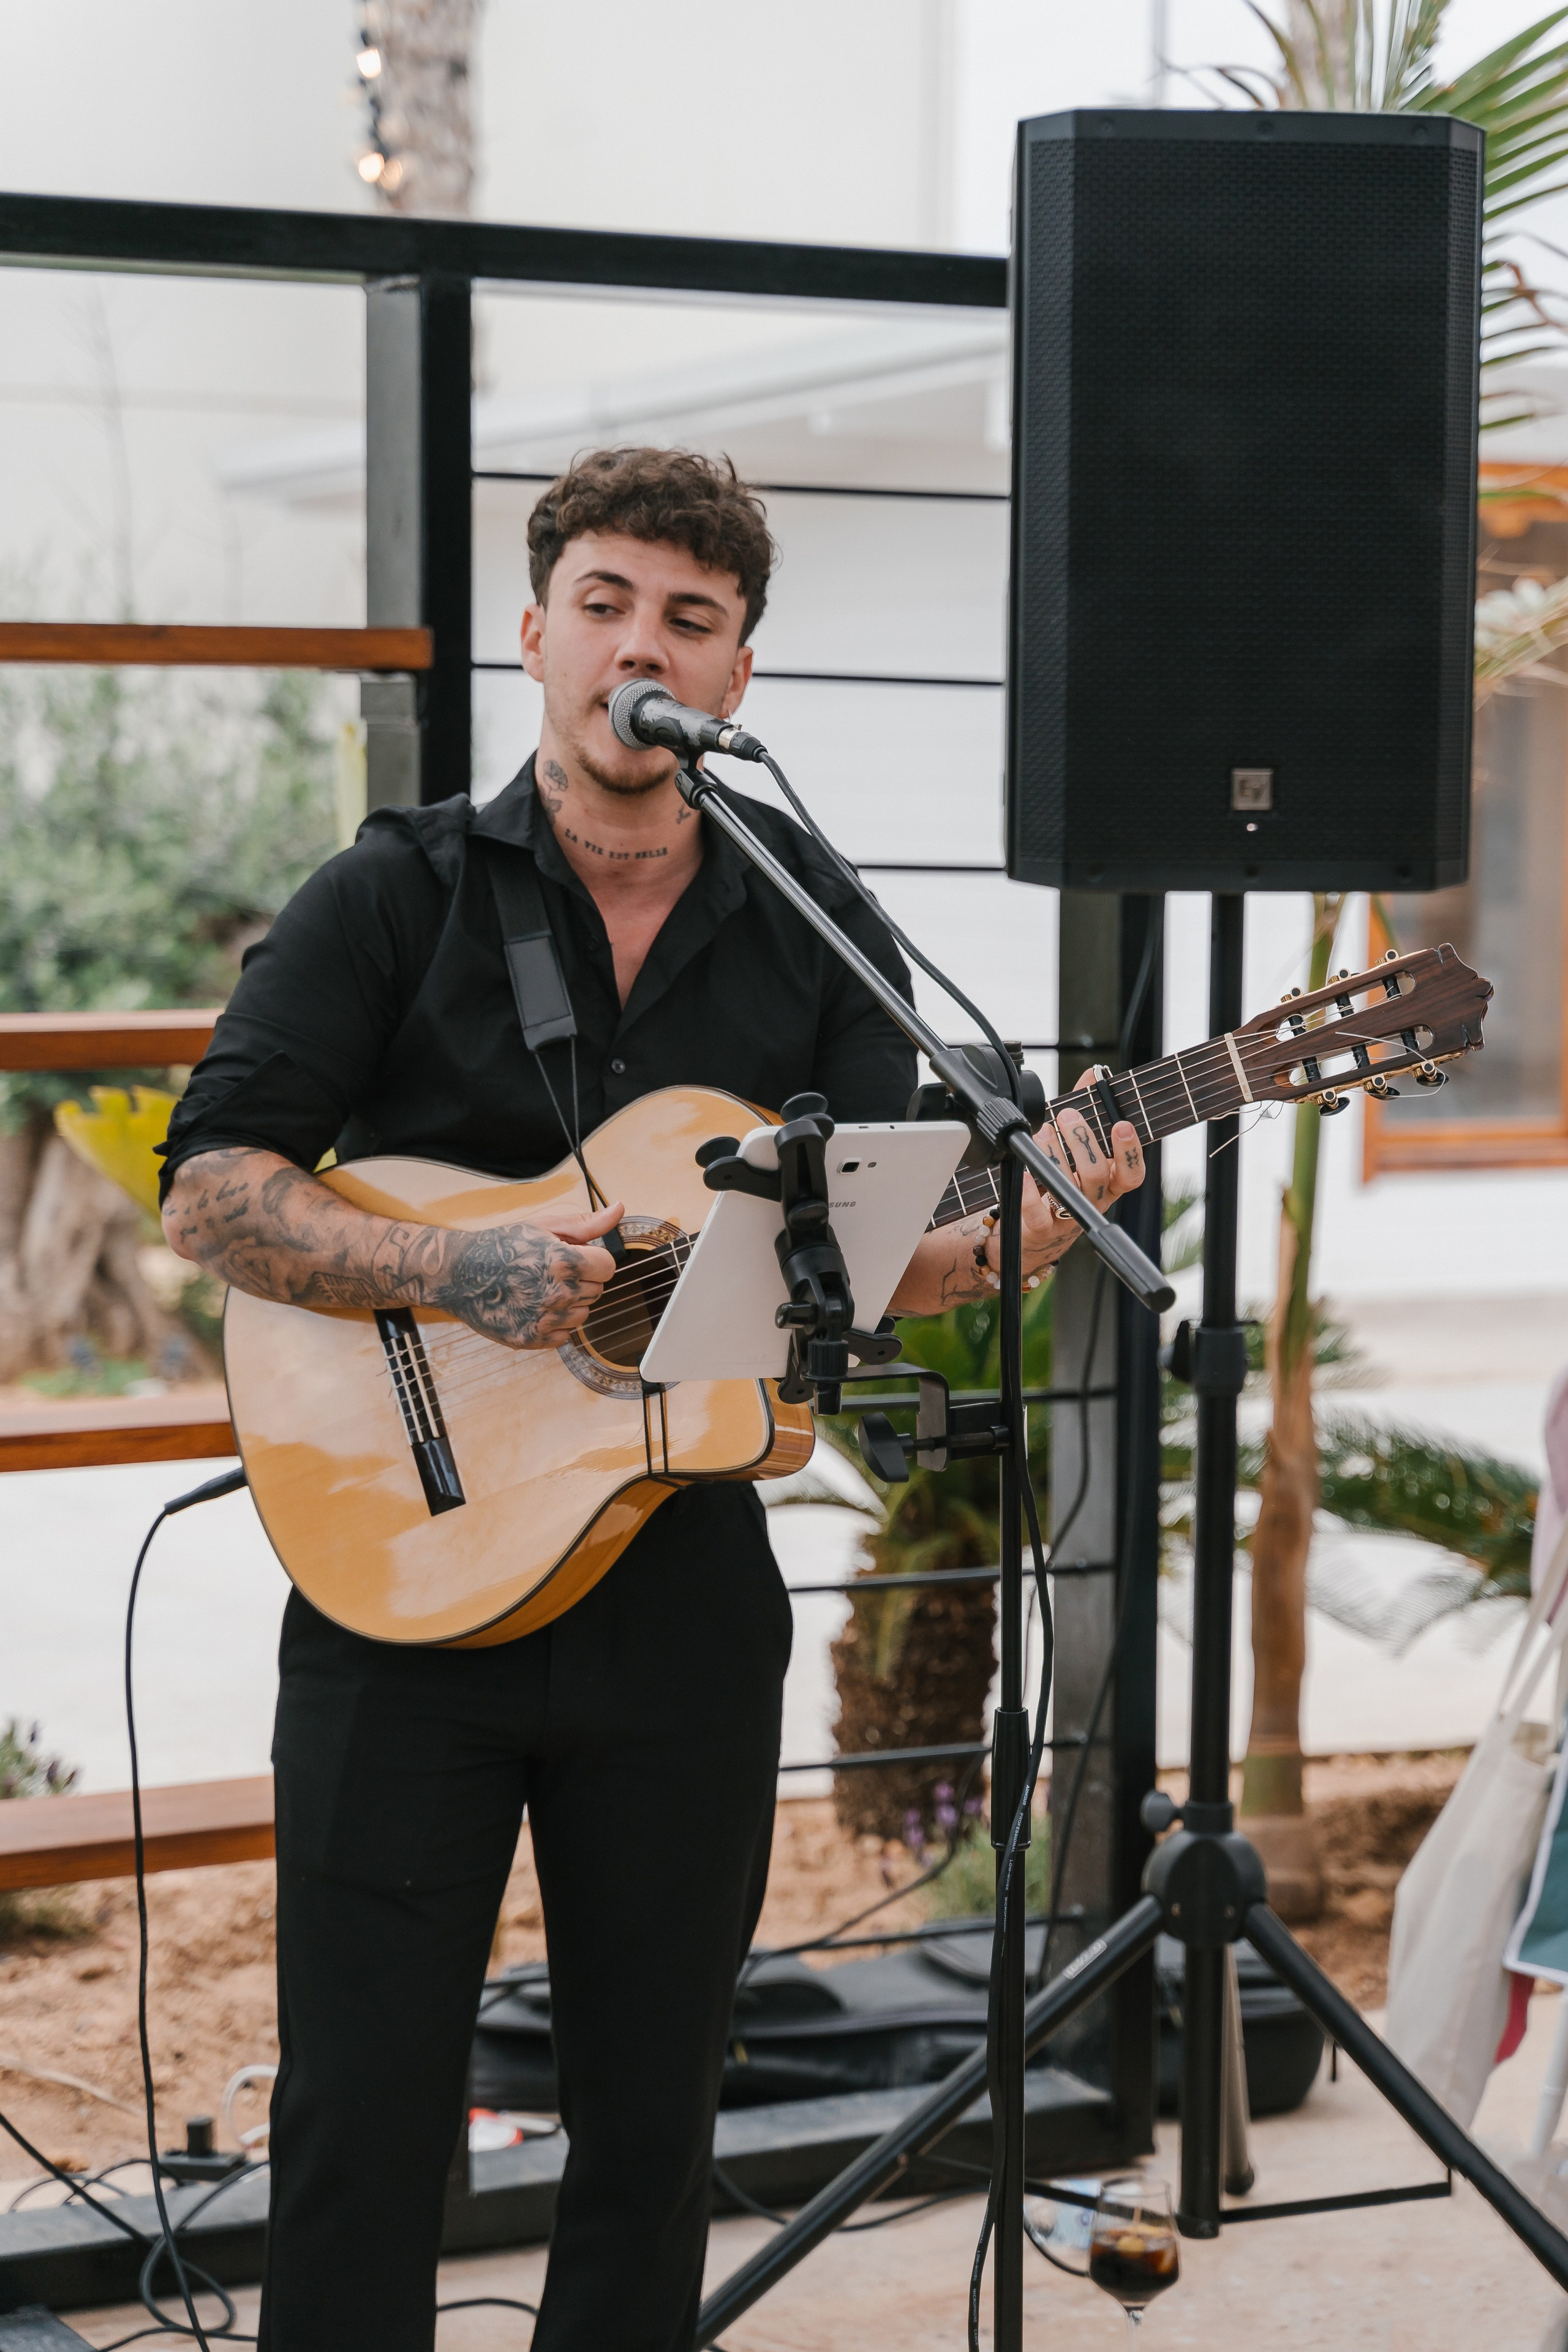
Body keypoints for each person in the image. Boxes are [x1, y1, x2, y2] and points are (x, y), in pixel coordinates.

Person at [158, 445, 1145, 2352]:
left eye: (689, 619)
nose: (642, 644)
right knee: (360, 2119)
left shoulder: (806, 916)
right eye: (606, 603)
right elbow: (215, 1182)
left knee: (653, 2121)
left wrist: (1052, 1202)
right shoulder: (400, 890)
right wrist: (458, 1268)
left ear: (737, 677)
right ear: (536, 634)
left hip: (679, 1577)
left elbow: (890, 1246)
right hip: (400, 1587)